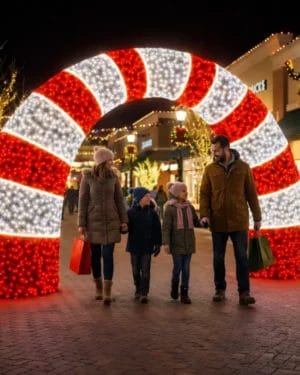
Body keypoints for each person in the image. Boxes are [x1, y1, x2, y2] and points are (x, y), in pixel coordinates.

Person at [200, 134, 262, 306]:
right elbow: (204, 194)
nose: (214, 153)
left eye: (217, 150)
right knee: (218, 257)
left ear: (226, 148)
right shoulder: (210, 170)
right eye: (213, 150)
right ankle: (220, 290)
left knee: (242, 257)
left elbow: (251, 194)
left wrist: (257, 217)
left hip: (239, 220)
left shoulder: (243, 168)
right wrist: (204, 214)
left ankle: (244, 292)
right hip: (218, 220)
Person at [78, 146, 128, 305]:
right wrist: (81, 223)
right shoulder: (88, 177)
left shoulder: (114, 177)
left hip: (111, 221)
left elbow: (119, 200)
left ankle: (107, 292)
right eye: (109, 160)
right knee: (95, 256)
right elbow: (83, 201)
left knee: (108, 255)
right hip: (93, 222)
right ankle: (98, 288)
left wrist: (124, 220)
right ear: (101, 162)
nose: (112, 163)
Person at [162, 181, 201, 304]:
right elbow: (166, 227)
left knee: (186, 269)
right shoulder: (170, 208)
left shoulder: (189, 207)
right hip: (176, 244)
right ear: (177, 193)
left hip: (188, 243)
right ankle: (174, 288)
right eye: (183, 191)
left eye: (186, 190)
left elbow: (196, 222)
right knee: (178, 268)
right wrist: (166, 243)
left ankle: (184, 293)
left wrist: (205, 221)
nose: (186, 193)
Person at [126, 187, 162, 304]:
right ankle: (138, 288)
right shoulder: (130, 213)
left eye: (149, 196)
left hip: (147, 246)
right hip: (134, 246)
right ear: (139, 198)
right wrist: (122, 228)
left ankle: (144, 293)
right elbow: (125, 229)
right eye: (146, 196)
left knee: (145, 270)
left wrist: (158, 244)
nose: (149, 198)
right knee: (136, 270)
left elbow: (157, 229)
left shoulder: (152, 213)